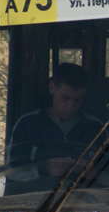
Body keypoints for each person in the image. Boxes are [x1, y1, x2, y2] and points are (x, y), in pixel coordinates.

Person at [7, 63, 102, 191]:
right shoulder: (27, 124)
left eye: (78, 100)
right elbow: (10, 173)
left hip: (83, 205)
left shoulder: (96, 128)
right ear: (52, 88)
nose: (71, 106)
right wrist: (44, 169)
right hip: (35, 205)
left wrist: (92, 172)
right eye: (65, 98)